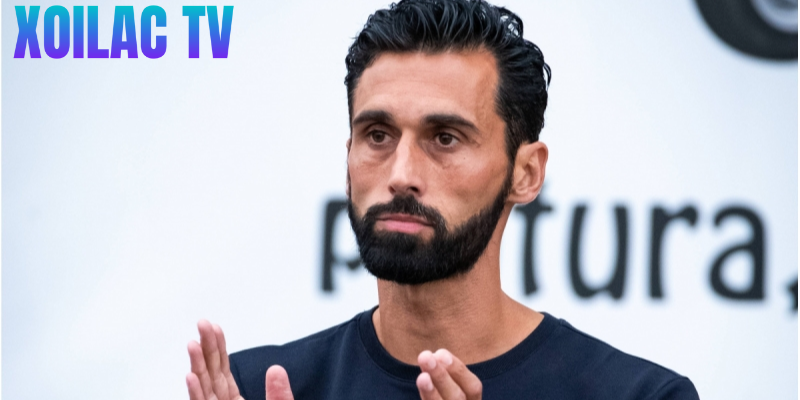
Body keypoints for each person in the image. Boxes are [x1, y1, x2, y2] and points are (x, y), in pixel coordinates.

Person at [186, 1, 700, 399]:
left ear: (525, 173)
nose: (401, 175)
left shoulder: (640, 395)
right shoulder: (257, 387)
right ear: (348, 159)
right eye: (378, 136)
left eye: (445, 138)